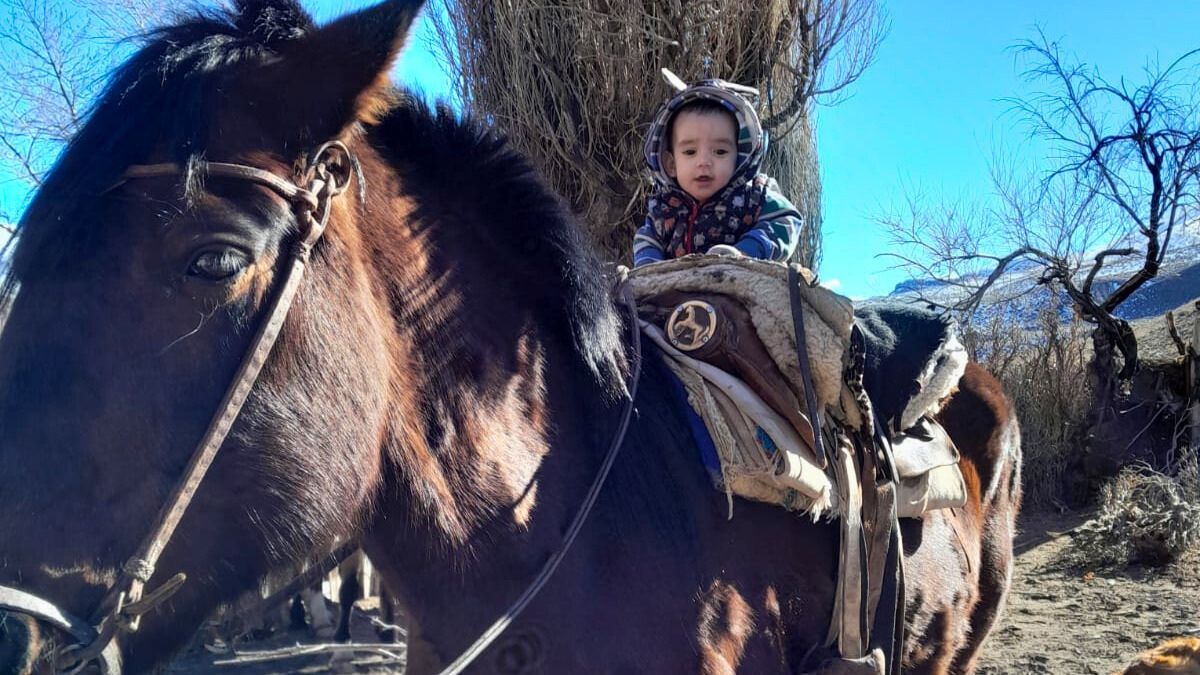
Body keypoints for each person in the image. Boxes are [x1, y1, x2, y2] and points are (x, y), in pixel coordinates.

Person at [632, 73, 804, 267]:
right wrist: (650, 270)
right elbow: (646, 241)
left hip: (742, 281)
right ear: (671, 164)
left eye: (720, 151)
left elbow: (786, 221)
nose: (704, 162)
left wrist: (747, 251)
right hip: (677, 285)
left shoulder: (754, 196)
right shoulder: (663, 209)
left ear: (738, 158)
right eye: (690, 152)